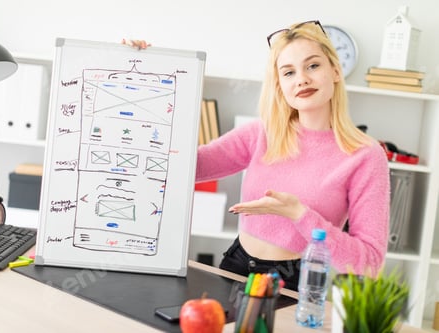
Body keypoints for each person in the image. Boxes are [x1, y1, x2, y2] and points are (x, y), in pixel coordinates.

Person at [124, 20, 390, 291]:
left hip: (294, 282)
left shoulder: (365, 155)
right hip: (236, 268)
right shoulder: (262, 133)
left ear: (335, 70)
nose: (302, 79)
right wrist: (141, 76)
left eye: (313, 65)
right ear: (279, 85)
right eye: (288, 72)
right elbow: (188, 166)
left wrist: (299, 214)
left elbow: (369, 262)